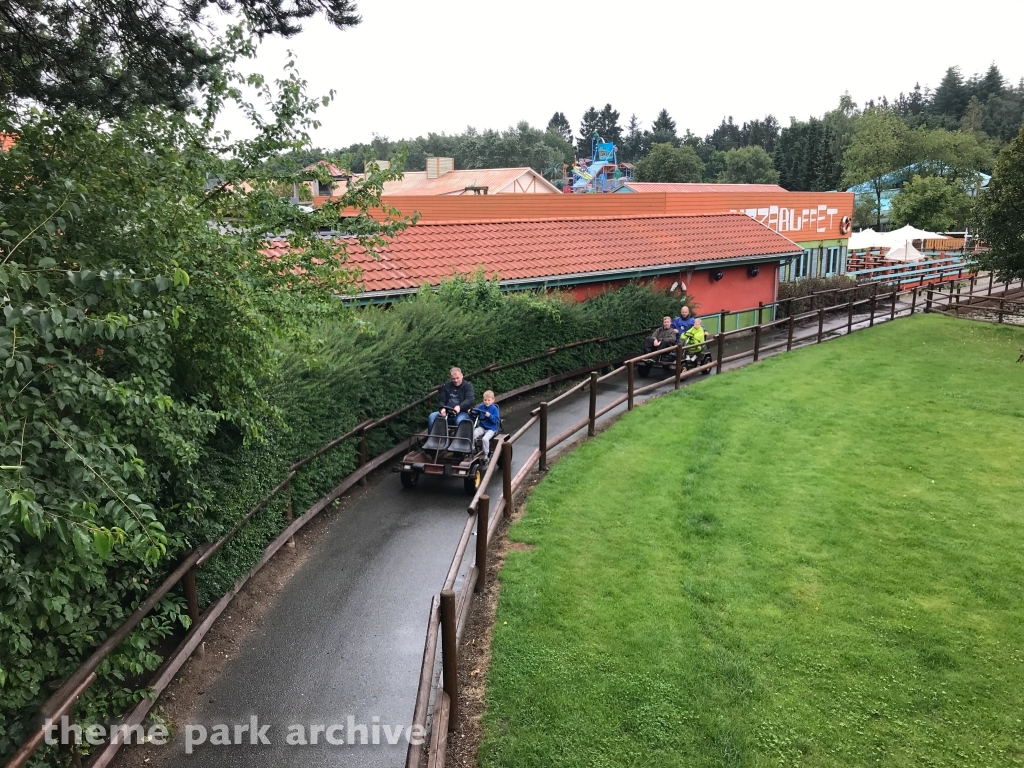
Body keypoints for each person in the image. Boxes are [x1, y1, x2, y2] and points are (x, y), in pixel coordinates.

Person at [428, 367, 475, 432]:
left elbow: (470, 400)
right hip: (447, 412)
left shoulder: (468, 386)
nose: (455, 380)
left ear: (462, 375)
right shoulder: (446, 386)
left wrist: (460, 407)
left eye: (457, 378)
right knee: (432, 416)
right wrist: (442, 409)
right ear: (450, 377)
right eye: (453, 379)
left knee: (459, 421)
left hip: (463, 412)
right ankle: (432, 438)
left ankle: (457, 440)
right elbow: (442, 400)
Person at [473, 390, 500, 460]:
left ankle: (486, 455)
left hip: (491, 428)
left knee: (485, 439)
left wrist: (490, 416)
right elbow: (475, 411)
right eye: (485, 400)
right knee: (473, 434)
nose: (487, 402)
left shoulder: (494, 409)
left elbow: (496, 420)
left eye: (488, 400)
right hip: (482, 427)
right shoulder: (481, 406)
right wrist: (471, 411)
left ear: (493, 400)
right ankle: (471, 449)